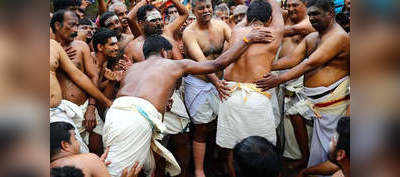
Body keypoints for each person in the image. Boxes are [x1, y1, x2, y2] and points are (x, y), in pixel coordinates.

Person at [103, 30, 273, 177]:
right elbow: (217, 64)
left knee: (130, 168)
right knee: (119, 173)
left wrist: (161, 105)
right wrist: (247, 40)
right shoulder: (173, 64)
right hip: (135, 120)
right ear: (164, 52)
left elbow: (138, 98)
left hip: (115, 114)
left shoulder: (133, 69)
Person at [256, 0, 350, 170]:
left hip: (333, 105)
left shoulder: (338, 36)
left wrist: (278, 79)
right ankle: (309, 167)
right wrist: (262, 65)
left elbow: (310, 63)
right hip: (316, 103)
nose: (312, 18)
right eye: (310, 14)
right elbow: (292, 59)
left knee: (333, 152)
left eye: (316, 14)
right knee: (319, 147)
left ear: (330, 14)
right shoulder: (313, 37)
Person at [217, 0, 284, 177]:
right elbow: (278, 13)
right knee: (263, 151)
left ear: (248, 18)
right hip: (255, 97)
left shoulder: (237, 31)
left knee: (231, 150)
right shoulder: (273, 33)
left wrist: (255, 1)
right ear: (269, 19)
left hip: (230, 94)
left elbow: (252, 18)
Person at [182, 0, 232, 177]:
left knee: (224, 124)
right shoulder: (189, 33)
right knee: (201, 128)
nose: (206, 11)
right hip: (199, 83)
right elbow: (203, 62)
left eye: (208, 6)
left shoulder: (221, 25)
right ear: (193, 10)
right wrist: (217, 83)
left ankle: (225, 162)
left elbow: (235, 42)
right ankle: (199, 170)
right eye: (201, 8)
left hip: (220, 81)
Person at [51, 9, 103, 154]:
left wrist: (92, 108)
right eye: (71, 25)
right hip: (61, 113)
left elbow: (93, 76)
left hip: (87, 109)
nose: (75, 30)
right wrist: (59, 57)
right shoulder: (48, 49)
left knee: (98, 151)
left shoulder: (82, 47)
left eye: (77, 25)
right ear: (57, 25)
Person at [278, 0, 315, 169]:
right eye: (288, 5)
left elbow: (293, 31)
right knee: (288, 123)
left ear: (305, 6)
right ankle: (298, 156)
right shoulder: (286, 19)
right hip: (283, 78)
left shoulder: (309, 22)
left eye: (295, 5)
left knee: (299, 117)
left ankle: (308, 159)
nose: (291, 8)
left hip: (303, 77)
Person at [124, 0, 188, 63]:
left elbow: (181, 67)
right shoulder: (132, 47)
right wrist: (145, 0)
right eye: (153, 21)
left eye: (160, 19)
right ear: (141, 24)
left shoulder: (168, 38)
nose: (159, 23)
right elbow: (129, 18)